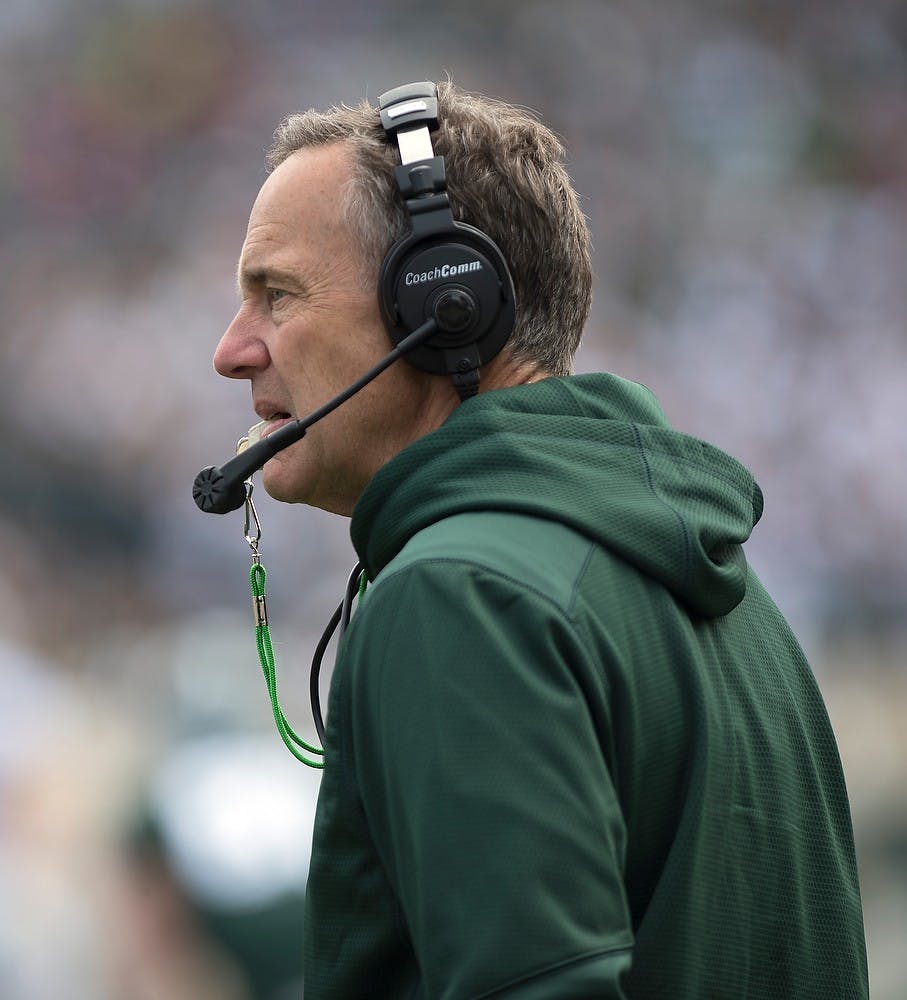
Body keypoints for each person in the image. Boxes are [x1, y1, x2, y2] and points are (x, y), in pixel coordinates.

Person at [211, 81, 868, 999]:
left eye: (275, 295)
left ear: (443, 306)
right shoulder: (727, 595)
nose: (232, 349)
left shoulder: (464, 594)